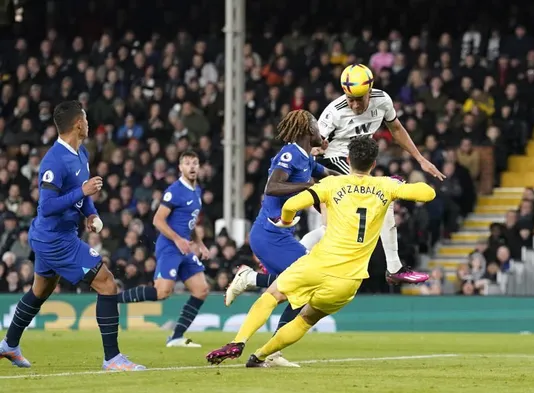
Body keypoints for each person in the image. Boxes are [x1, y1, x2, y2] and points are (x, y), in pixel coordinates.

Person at [205, 137, 436, 367]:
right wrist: (397, 185)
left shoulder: (332, 184)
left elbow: (289, 206)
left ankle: (239, 341)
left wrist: (286, 222)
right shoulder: (384, 186)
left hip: (318, 265)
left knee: (273, 295)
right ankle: (261, 356)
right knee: (305, 319)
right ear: (374, 164)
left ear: (348, 160)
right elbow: (428, 194)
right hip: (349, 280)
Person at [0, 101, 145, 371]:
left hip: (55, 235)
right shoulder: (53, 160)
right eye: (86, 120)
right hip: (54, 238)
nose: (88, 124)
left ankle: (9, 345)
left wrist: (89, 214)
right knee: (107, 283)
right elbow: (47, 206)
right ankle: (112, 359)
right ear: (78, 124)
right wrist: (83, 192)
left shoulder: (81, 153)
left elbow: (83, 195)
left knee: (40, 291)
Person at [311, 63, 445, 284]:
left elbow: (397, 129)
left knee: (379, 204)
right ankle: (392, 267)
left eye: (359, 98)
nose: (353, 104)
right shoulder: (334, 112)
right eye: (349, 98)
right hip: (332, 162)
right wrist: (316, 146)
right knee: (379, 195)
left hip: (359, 162)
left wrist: (420, 159)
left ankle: (393, 268)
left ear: (370, 89)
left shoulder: (382, 101)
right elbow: (315, 145)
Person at [224, 109, 340, 366]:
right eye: (316, 126)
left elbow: (329, 177)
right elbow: (272, 187)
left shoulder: (305, 157)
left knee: (300, 285)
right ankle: (271, 351)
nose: (321, 131)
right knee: (308, 283)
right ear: (308, 131)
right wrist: (310, 186)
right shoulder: (290, 155)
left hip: (279, 234)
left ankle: (252, 280)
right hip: (269, 234)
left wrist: (357, 182)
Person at [115, 150, 211, 348]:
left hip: (184, 247)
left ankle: (176, 337)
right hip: (169, 247)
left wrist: (199, 243)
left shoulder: (197, 190)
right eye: (187, 163)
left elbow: (190, 223)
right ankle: (112, 299)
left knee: (201, 290)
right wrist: (177, 239)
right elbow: (157, 220)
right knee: (162, 293)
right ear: (180, 168)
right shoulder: (174, 191)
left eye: (195, 163)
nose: (192, 167)